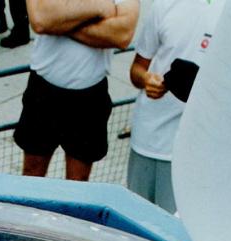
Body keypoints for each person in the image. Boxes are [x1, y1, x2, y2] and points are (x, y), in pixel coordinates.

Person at [14, 0, 138, 181]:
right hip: (43, 91)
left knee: (77, 184)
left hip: (89, 96)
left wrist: (58, 22)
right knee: (31, 176)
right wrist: (101, 7)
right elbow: (40, 20)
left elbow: (122, 36)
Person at [127, 0, 226, 213]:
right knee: (134, 226)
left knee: (173, 236)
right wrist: (146, 80)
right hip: (147, 140)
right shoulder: (164, 5)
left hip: (194, 152)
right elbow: (137, 69)